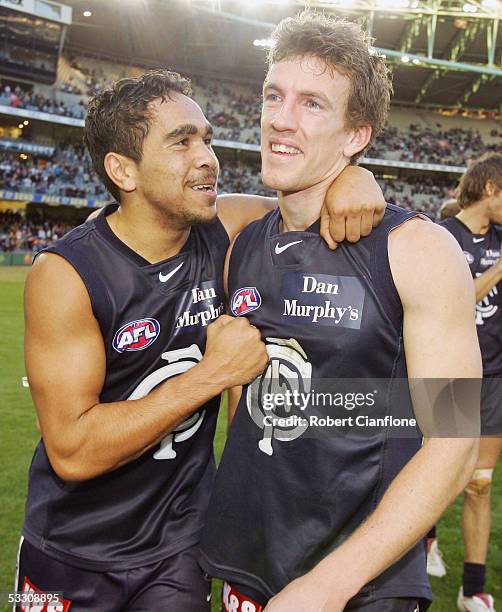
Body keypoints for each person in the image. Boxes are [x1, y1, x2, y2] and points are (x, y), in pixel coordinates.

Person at [17, 69, 386, 610]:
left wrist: (356, 176)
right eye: (181, 142)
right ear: (123, 170)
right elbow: (72, 451)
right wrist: (212, 375)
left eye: (207, 139)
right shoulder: (67, 274)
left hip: (181, 546)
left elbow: (306, 204)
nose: (208, 157)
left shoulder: (228, 233)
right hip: (73, 547)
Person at [199, 12, 481, 612]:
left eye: (312, 104)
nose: (280, 118)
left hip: (359, 588)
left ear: (357, 136)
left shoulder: (420, 250)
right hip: (246, 570)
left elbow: (453, 440)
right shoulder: (241, 241)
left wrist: (328, 585)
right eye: (274, 96)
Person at [438, 153, 502, 612]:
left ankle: (472, 588)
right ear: (492, 189)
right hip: (449, 371)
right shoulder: (441, 237)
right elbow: (458, 301)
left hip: (495, 377)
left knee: (480, 483)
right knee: (434, 472)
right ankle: (422, 540)